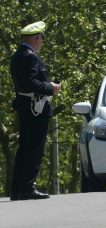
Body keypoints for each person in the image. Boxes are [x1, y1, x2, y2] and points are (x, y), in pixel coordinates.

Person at [10, 21, 61, 200]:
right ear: (37, 38)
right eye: (42, 38)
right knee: (34, 148)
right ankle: (27, 187)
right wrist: (50, 87)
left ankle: (17, 189)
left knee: (24, 147)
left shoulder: (18, 55)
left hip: (26, 106)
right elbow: (30, 82)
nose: (42, 42)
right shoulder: (30, 57)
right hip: (35, 108)